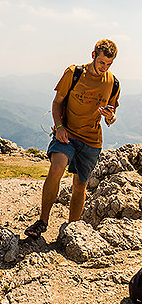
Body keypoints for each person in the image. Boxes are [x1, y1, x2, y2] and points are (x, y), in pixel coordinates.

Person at [32, 39, 120, 239]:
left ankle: (71, 231)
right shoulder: (74, 73)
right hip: (67, 134)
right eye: (101, 63)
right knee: (57, 168)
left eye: (109, 64)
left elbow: (112, 117)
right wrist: (60, 126)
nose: (104, 67)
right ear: (93, 55)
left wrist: (109, 116)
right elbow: (57, 102)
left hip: (92, 141)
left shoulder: (113, 83)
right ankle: (42, 221)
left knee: (80, 185)